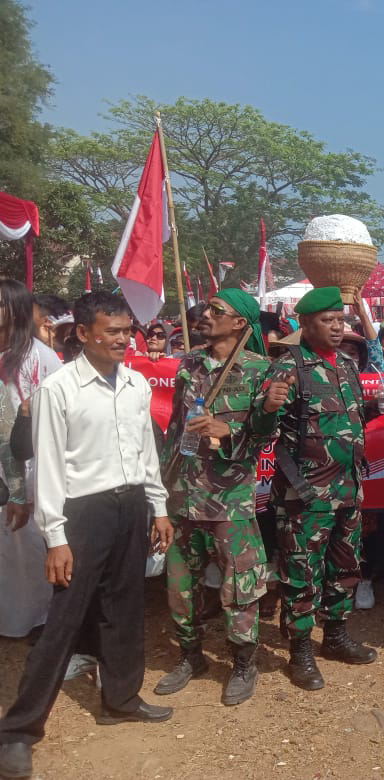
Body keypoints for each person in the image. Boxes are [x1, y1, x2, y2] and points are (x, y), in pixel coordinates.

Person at [0, 292, 175, 780]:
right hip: (83, 512)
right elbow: (50, 466)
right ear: (83, 333)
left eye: (127, 331)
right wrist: (55, 536)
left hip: (130, 505)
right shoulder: (60, 390)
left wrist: (158, 507)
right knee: (64, 618)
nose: (124, 339)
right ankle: (18, 731)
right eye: (112, 331)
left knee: (125, 607)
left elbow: (146, 453)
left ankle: (119, 698)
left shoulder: (136, 384)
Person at [154, 290, 286, 706]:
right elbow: (176, 428)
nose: (205, 316)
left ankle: (243, 662)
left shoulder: (260, 370)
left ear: (240, 324)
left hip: (229, 498)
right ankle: (190, 656)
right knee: (181, 585)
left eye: (217, 311)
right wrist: (160, 487)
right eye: (206, 309)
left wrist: (228, 431)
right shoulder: (188, 364)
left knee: (239, 585)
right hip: (182, 493)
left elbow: (268, 432)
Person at [266, 286, 379, 691]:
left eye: (340, 319)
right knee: (301, 572)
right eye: (327, 321)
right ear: (306, 324)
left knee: (345, 565)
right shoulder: (288, 368)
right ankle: (300, 649)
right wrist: (266, 408)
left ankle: (335, 635)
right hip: (305, 495)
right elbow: (267, 435)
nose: (337, 327)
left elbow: (351, 422)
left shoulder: (347, 365)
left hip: (348, 490)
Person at [0, 280, 63, 641]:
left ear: (15, 310)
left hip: (28, 466)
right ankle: (10, 616)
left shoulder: (39, 357)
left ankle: (39, 619)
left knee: (29, 544)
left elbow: (50, 420)